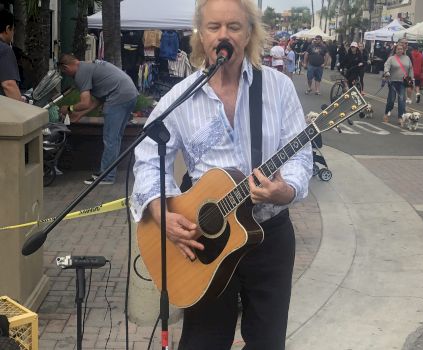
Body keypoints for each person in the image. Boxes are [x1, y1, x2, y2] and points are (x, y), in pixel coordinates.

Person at [131, 0, 312, 349]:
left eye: (234, 26)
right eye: (214, 27)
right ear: (201, 35)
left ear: (249, 34)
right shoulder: (180, 98)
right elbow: (147, 158)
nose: (223, 35)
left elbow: (300, 153)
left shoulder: (278, 88)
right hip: (205, 240)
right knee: (203, 341)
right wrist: (160, 211)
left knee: (267, 342)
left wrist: (285, 190)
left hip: (268, 237)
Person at [58, 54, 138, 185]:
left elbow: (85, 102)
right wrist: (80, 115)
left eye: (65, 72)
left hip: (118, 96)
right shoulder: (89, 66)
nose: (68, 75)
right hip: (130, 94)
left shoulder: (80, 73)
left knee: (110, 139)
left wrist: (69, 108)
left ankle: (107, 176)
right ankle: (109, 172)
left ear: (66, 67)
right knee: (115, 138)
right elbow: (98, 99)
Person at [383, 43, 414, 126]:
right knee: (391, 100)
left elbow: (410, 69)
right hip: (393, 81)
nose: (400, 50)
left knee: (401, 100)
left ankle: (400, 117)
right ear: (395, 50)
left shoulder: (407, 58)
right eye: (398, 49)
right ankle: (387, 113)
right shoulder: (391, 58)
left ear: (403, 50)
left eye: (401, 49)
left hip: (403, 82)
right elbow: (386, 66)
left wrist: (411, 78)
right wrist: (387, 72)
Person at [0, 9, 22, 101]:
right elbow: (9, 85)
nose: (12, 33)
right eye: (12, 30)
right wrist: (23, 110)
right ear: (7, 29)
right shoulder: (4, 49)